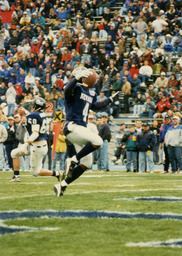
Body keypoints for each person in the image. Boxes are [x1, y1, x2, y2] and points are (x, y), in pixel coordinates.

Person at [53, 67, 119, 196]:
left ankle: (62, 185)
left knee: (87, 163)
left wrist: (110, 99)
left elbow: (96, 106)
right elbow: (66, 91)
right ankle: (72, 160)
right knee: (98, 141)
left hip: (80, 130)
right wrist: (75, 79)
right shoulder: (75, 88)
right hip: (73, 127)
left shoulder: (91, 93)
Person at [10, 97, 61, 182]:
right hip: (39, 145)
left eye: (33, 105)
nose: (32, 106)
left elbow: (35, 133)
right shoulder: (42, 114)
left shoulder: (33, 116)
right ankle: (16, 176)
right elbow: (34, 119)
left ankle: (58, 174)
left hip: (37, 147)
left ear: (37, 106)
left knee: (35, 172)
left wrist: (25, 144)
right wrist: (25, 111)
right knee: (14, 153)